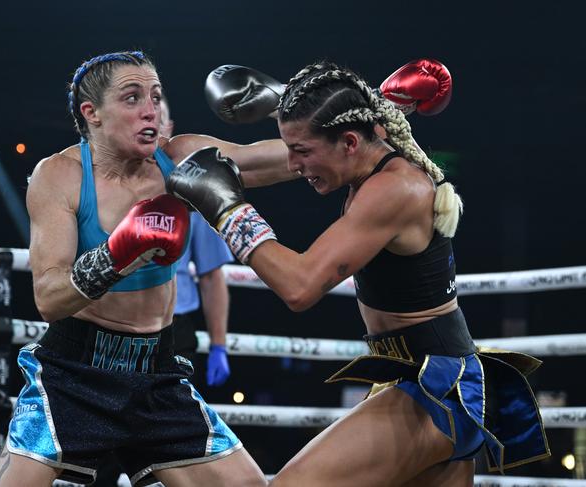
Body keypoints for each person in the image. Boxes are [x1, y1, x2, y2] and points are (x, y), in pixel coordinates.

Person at [167, 60, 551, 486]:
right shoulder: (355, 151)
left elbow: (300, 286)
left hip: (433, 391)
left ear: (349, 141)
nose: (293, 165)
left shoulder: (395, 189)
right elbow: (214, 159)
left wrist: (228, 211)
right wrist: (283, 101)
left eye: (301, 151)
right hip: (423, 385)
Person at [0, 50, 293, 487]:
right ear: (91, 113)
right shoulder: (60, 175)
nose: (150, 109)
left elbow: (289, 158)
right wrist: (119, 253)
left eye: (155, 96)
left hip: (157, 372)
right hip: (75, 374)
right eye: (132, 98)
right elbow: (49, 297)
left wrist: (363, 115)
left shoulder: (181, 158)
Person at [161, 96, 234, 386]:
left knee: (170, 426)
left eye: (158, 119)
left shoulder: (191, 189)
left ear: (170, 127)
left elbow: (211, 276)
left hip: (175, 328)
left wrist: (219, 346)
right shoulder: (103, 184)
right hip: (111, 321)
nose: (150, 124)